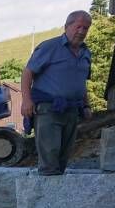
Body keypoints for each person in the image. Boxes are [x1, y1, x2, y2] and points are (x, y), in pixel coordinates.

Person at [21, 10, 94, 175]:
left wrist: (86, 105)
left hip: (72, 111)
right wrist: (26, 100)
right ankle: (45, 196)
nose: (82, 31)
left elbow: (81, 82)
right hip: (49, 109)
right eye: (78, 27)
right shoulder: (49, 47)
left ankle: (57, 196)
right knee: (50, 156)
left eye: (86, 28)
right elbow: (27, 73)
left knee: (63, 158)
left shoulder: (86, 53)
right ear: (67, 26)